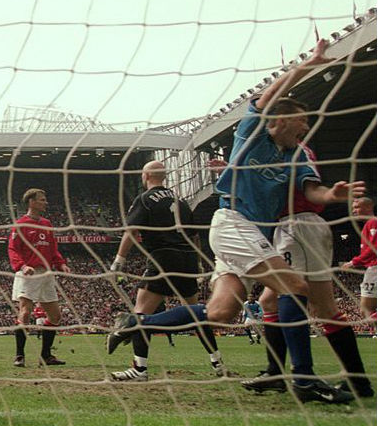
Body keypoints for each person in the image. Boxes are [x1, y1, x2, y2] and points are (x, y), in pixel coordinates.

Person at [107, 38, 361, 403]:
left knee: (220, 313)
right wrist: (306, 67)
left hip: (252, 234)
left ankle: (139, 323)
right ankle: (303, 380)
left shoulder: (295, 157)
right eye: (301, 119)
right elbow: (262, 101)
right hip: (233, 224)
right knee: (295, 287)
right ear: (280, 119)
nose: (306, 126)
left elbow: (313, 190)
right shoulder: (254, 134)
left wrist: (332, 196)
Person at [241, 147, 372, 398]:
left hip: (300, 226)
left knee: (324, 308)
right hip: (289, 227)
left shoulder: (294, 149)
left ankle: (344, 380)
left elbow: (306, 186)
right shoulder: (276, 149)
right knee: (268, 301)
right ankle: (277, 373)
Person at [107, 161, 224, 381]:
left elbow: (131, 231)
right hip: (187, 258)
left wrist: (119, 261)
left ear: (147, 175)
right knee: (195, 313)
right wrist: (197, 264)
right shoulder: (182, 201)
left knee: (141, 312)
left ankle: (139, 369)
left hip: (163, 257)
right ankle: (217, 362)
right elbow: (194, 235)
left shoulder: (145, 199)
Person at [8, 188, 69, 367]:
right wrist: (22, 265)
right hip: (28, 273)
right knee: (25, 312)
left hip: (46, 273)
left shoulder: (47, 224)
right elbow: (12, 249)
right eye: (42, 200)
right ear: (31, 202)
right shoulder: (20, 224)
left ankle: (46, 356)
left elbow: (53, 249)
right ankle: (19, 355)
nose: (45, 202)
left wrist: (60, 263)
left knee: (55, 316)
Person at [342, 197, 376, 324]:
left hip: (375, 268)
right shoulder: (368, 225)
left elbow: (374, 248)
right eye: (353, 208)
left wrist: (353, 262)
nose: (354, 211)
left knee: (366, 310)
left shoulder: (374, 222)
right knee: (366, 311)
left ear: (368, 207)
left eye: (357, 207)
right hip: (371, 269)